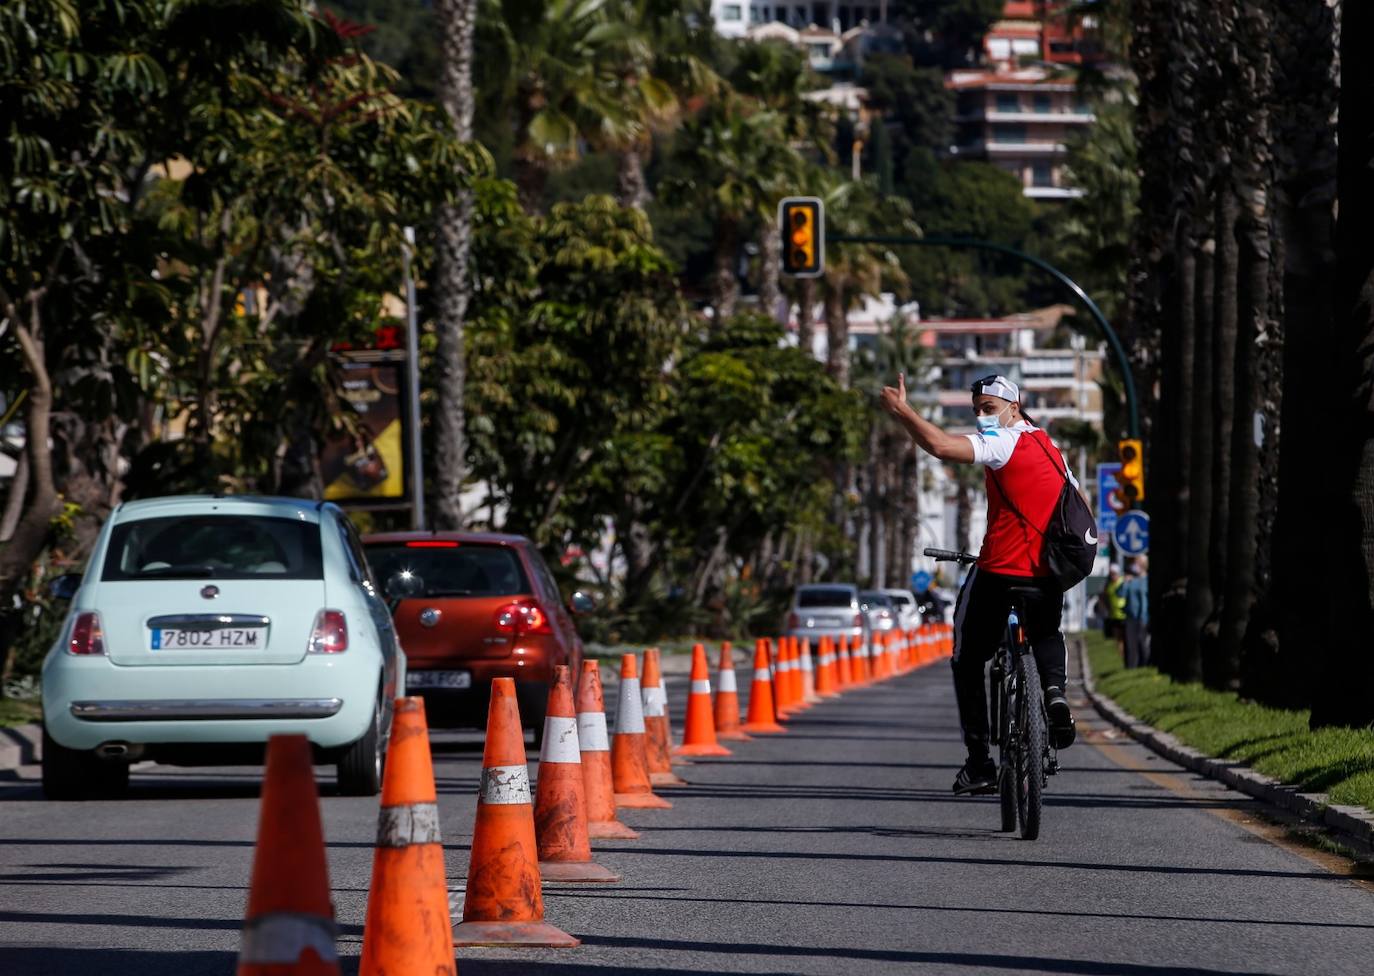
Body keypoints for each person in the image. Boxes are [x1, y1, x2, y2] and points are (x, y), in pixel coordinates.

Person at [879, 372, 1077, 795]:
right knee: (1045, 631)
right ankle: (1055, 694)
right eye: (977, 411)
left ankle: (979, 762)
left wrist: (902, 411)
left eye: (988, 409)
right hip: (1047, 573)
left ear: (1014, 406)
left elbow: (939, 446)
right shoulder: (1051, 449)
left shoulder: (1003, 443)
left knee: (966, 657)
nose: (982, 418)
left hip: (1001, 570)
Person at [1121, 557, 1150, 668]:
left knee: (1143, 643)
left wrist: (1144, 617)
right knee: (1131, 644)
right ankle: (1131, 667)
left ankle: (1145, 665)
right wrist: (1125, 582)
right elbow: (1121, 594)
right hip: (1130, 617)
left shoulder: (1147, 580)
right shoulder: (1132, 580)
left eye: (1136, 564)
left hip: (1143, 617)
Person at [1102, 564, 1127, 659]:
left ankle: (1126, 656)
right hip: (1114, 615)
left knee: (1126, 638)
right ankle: (1122, 657)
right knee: (1118, 639)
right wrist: (1107, 608)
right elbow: (1104, 597)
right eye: (1111, 574)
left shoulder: (1122, 582)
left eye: (1114, 574)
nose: (1113, 576)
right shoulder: (1108, 585)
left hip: (1124, 615)